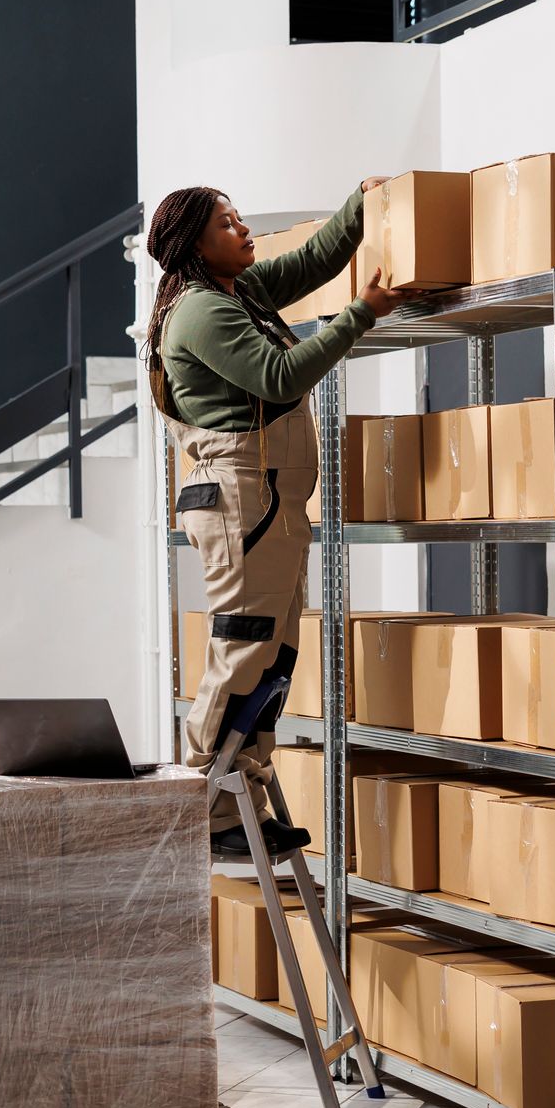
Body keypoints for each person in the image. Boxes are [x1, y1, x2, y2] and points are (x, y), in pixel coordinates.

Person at [143, 179, 418, 858]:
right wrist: (360, 315)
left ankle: (241, 806)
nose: (246, 232)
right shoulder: (201, 312)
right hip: (243, 499)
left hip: (270, 501)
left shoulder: (240, 292)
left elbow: (313, 259)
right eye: (229, 225)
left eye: (241, 220)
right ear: (196, 246)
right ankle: (203, 809)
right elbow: (278, 376)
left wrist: (364, 203)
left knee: (274, 657)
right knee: (243, 649)